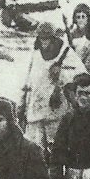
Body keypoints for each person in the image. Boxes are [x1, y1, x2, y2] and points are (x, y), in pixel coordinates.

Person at [21, 22, 84, 158]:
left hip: (56, 109)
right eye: (42, 39)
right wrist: (22, 103)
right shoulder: (35, 53)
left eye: (47, 39)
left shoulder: (66, 53)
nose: (44, 43)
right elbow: (28, 78)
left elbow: (81, 76)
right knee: (35, 149)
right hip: (36, 110)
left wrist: (61, 74)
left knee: (56, 148)